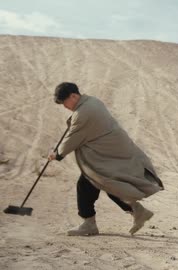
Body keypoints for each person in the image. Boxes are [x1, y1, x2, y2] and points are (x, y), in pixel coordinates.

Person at [48, 82, 164, 236]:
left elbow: (73, 137)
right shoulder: (92, 102)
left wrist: (57, 154)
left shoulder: (83, 113)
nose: (64, 106)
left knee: (90, 184)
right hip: (115, 153)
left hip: (110, 156)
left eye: (64, 102)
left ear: (74, 96)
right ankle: (137, 211)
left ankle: (90, 224)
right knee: (108, 184)